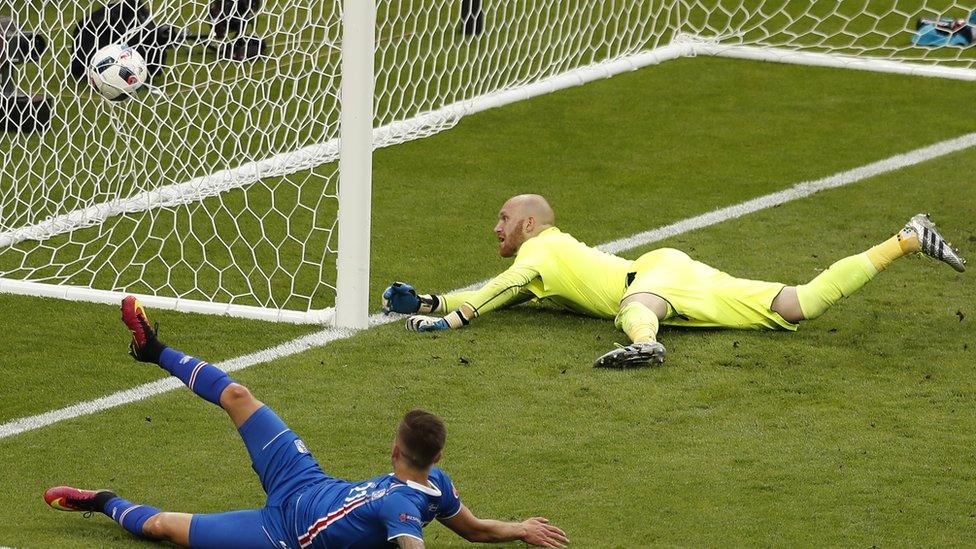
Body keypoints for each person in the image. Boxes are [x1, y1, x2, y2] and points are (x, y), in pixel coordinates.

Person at [44, 296, 569, 549]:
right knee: (237, 395)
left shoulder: (402, 506)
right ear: (438, 459)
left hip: (283, 532)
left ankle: (103, 500)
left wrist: (520, 529)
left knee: (162, 528)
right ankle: (152, 349)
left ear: (394, 448)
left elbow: (413, 543)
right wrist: (521, 529)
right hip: (305, 480)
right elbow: (474, 530)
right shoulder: (438, 488)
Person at [383, 194, 967, 368]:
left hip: (654, 278)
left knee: (633, 305)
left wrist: (445, 320)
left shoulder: (543, 250)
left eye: (504, 220)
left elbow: (493, 294)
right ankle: (908, 239)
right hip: (679, 278)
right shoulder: (540, 261)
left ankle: (644, 344)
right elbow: (498, 287)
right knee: (800, 305)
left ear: (529, 223)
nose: (497, 228)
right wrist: (434, 297)